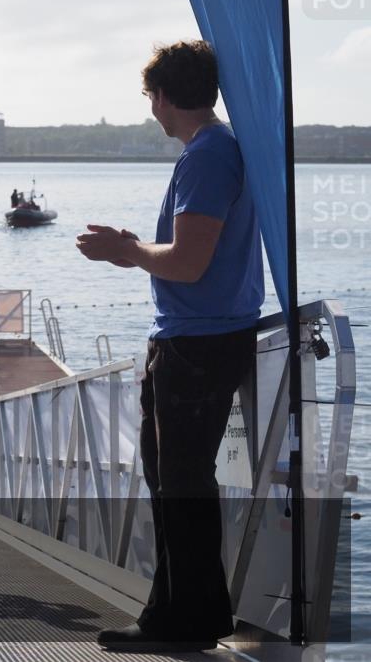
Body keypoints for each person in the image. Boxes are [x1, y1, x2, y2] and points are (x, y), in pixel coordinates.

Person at [76, 40, 262, 653]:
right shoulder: (215, 150)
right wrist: (133, 247)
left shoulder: (207, 156)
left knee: (179, 482)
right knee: (176, 481)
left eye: (149, 97)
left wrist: (126, 252)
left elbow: (186, 263)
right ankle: (188, 613)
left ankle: (180, 621)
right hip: (203, 338)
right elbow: (190, 257)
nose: (150, 109)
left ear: (163, 96)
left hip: (198, 345)